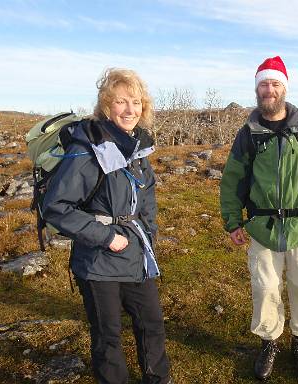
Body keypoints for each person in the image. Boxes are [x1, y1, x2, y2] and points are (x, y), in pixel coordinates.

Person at [43, 68, 172, 384]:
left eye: (137, 102)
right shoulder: (87, 148)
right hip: (98, 260)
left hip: (135, 254)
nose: (130, 110)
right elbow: (56, 207)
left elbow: (147, 194)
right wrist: (106, 237)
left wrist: (149, 233)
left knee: (152, 323)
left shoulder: (136, 146)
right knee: (108, 335)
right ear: (105, 106)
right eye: (121, 102)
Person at [220, 56, 298, 380]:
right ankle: (270, 340)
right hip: (262, 228)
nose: (269, 89)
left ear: (284, 88)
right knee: (265, 288)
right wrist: (233, 221)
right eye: (263, 84)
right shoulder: (248, 133)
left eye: (275, 83)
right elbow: (232, 179)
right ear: (257, 89)